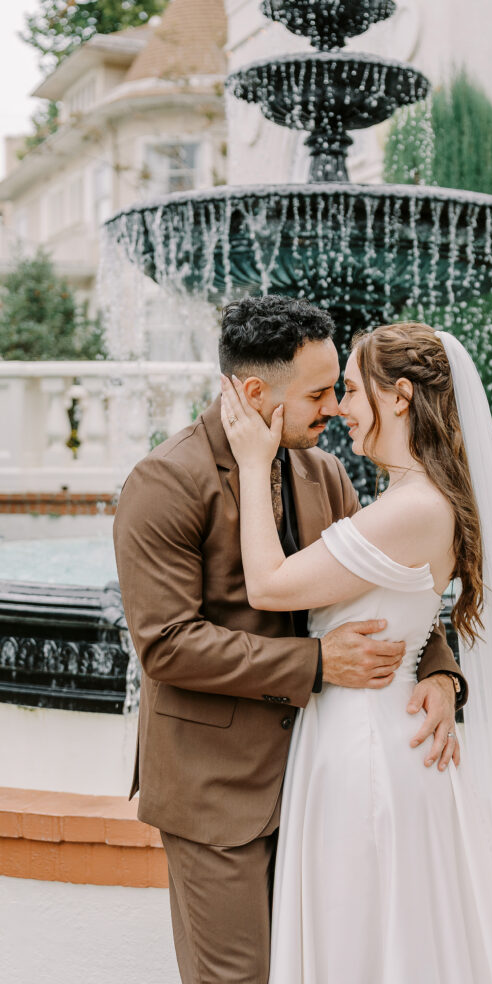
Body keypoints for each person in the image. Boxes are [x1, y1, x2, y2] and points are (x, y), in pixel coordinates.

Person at [220, 320, 492, 984]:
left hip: (367, 757)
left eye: (351, 390)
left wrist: (252, 465)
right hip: (377, 742)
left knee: (373, 942)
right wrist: (443, 678)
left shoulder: (412, 508)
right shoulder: (413, 498)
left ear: (397, 396)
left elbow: (270, 585)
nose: (338, 407)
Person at [113, 296, 467, 984]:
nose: (335, 406)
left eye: (340, 388)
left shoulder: (324, 473)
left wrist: (439, 670)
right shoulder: (163, 483)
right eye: (319, 392)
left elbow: (387, 578)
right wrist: (314, 663)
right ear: (253, 392)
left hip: (317, 780)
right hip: (216, 789)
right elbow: (167, 645)